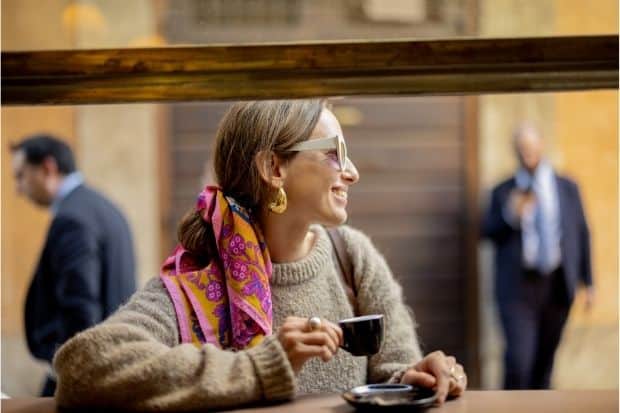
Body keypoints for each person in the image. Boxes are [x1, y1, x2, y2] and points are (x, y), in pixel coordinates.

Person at [53, 100, 467, 411]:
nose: (352, 171)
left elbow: (396, 372)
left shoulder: (353, 256)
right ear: (273, 168)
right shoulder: (199, 280)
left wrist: (421, 376)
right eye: (334, 152)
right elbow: (82, 369)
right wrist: (260, 368)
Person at [10, 135, 137, 396]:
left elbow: (80, 305)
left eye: (21, 175)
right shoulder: (105, 208)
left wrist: (73, 372)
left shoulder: (72, 219)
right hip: (112, 362)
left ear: (48, 168)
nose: (18, 189)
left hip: (87, 372)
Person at [481, 124, 594, 389]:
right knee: (519, 363)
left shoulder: (567, 187)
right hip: (518, 289)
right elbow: (486, 231)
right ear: (516, 152)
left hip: (556, 284)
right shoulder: (503, 191)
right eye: (521, 148)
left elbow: (582, 232)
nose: (527, 152)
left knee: (545, 364)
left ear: (541, 146)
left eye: (531, 146)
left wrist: (588, 282)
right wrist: (511, 215)